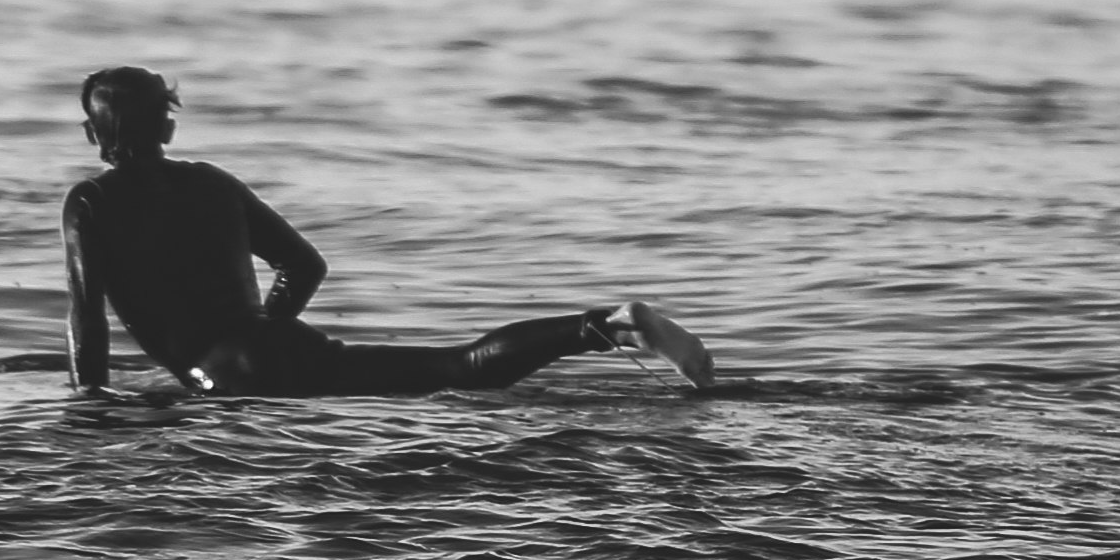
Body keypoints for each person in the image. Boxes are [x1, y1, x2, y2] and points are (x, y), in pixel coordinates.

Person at [58, 65, 715, 395]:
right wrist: (268, 329)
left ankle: (606, 326)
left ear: (93, 135)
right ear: (167, 126)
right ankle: (605, 323)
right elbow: (303, 266)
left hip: (226, 384)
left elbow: (86, 318)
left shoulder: (89, 202)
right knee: (457, 366)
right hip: (283, 348)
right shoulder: (213, 183)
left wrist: (86, 401)